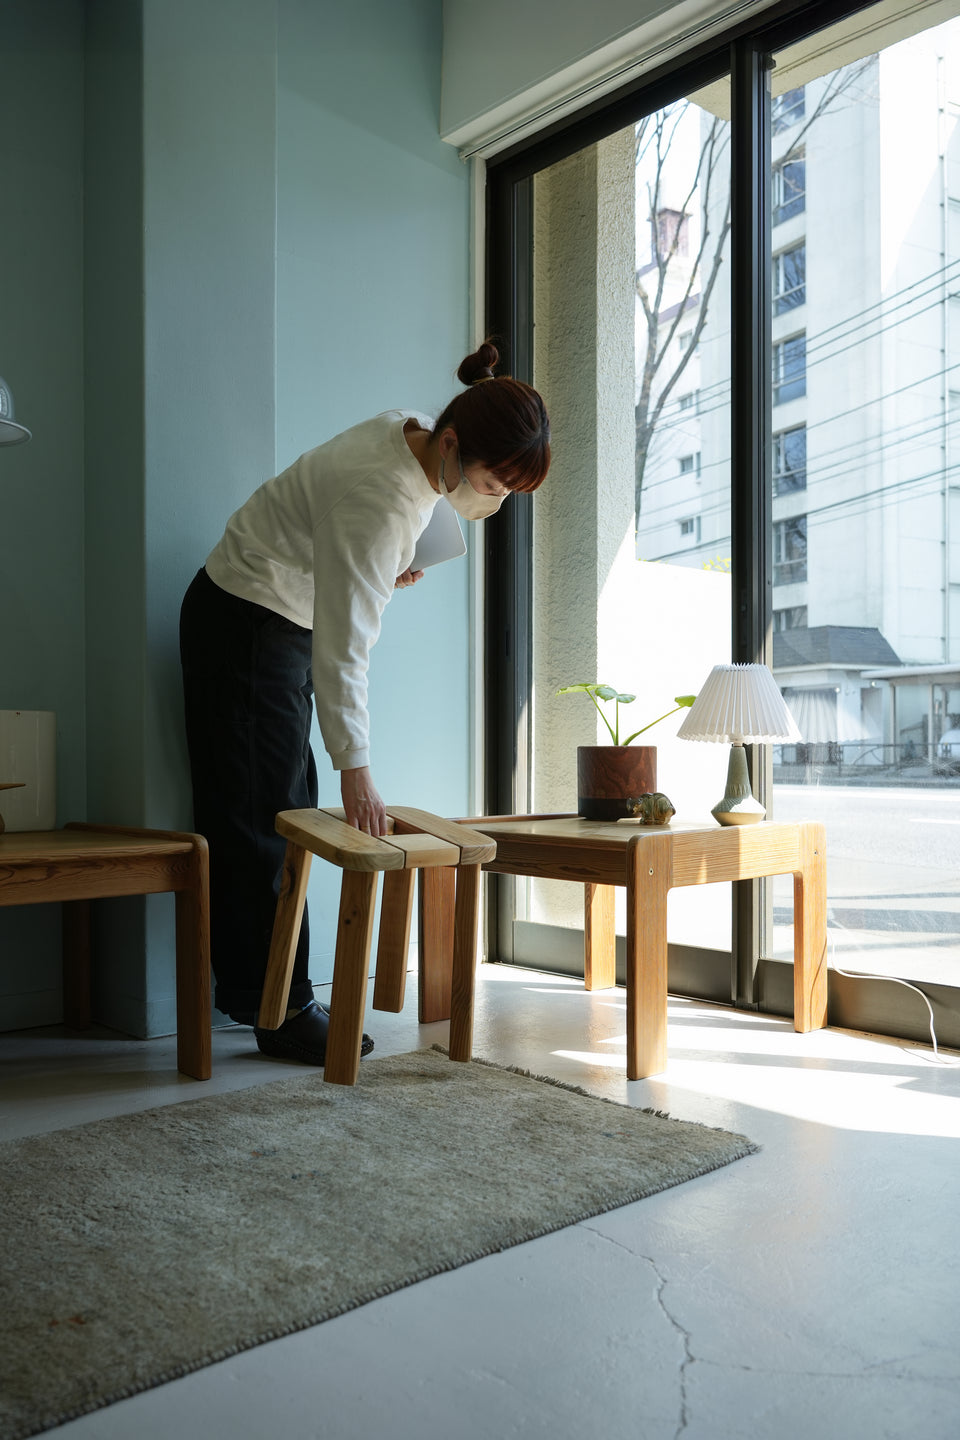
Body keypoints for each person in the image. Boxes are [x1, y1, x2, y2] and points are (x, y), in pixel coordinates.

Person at [179, 342, 550, 1066]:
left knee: (268, 808)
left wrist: (382, 564)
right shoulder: (381, 503)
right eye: (492, 483)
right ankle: (280, 1013)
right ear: (451, 443)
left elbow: (355, 538)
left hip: (251, 609)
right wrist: (358, 767)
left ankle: (258, 994)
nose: (495, 499)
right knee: (265, 819)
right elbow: (344, 650)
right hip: (252, 622)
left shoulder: (407, 426)